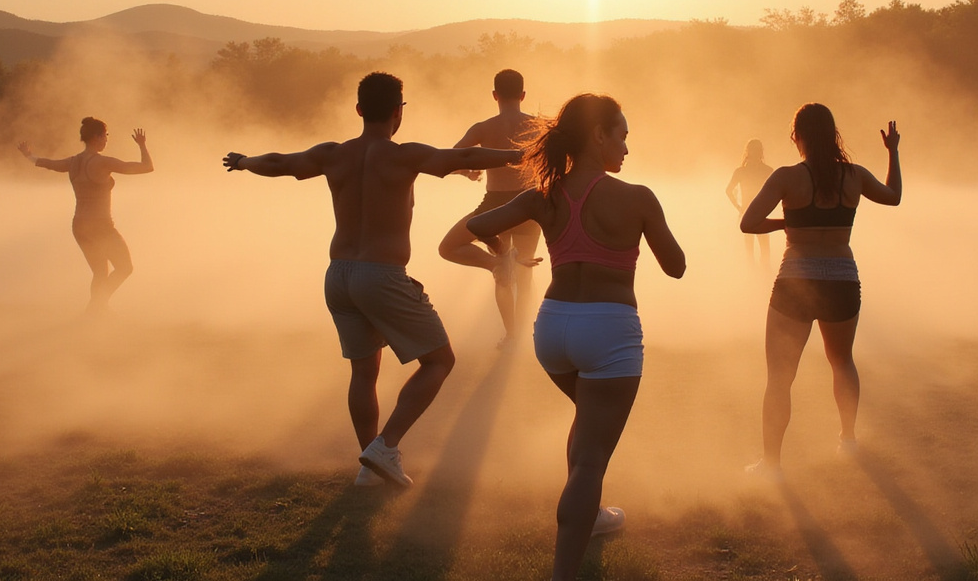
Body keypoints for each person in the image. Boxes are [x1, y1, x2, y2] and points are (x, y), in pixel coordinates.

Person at [222, 73, 522, 489]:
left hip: (338, 276)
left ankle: (370, 466)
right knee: (440, 361)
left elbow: (281, 164)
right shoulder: (404, 155)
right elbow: (463, 159)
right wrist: (519, 156)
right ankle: (385, 446)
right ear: (399, 111)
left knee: (364, 373)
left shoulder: (333, 154)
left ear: (360, 109)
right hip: (380, 276)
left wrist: (244, 161)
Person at [466, 94, 685, 581]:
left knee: (588, 426)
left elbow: (479, 225)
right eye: (622, 135)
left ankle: (595, 514)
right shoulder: (637, 196)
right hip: (609, 328)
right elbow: (677, 267)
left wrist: (503, 253)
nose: (627, 148)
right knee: (590, 459)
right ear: (599, 135)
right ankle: (565, 567)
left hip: (553, 328)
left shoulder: (543, 195)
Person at [741, 104, 900, 478]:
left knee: (780, 377)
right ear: (832, 135)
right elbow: (893, 196)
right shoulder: (854, 176)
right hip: (843, 277)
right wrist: (892, 151)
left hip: (796, 277)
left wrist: (790, 222)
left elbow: (748, 223)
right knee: (842, 361)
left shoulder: (786, 177)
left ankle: (772, 465)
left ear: (797, 136)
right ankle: (848, 439)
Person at [437, 69, 543, 348]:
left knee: (502, 273)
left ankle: (510, 335)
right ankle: (519, 334)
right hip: (528, 204)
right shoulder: (537, 125)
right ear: (523, 95)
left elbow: (451, 159)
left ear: (495, 95)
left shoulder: (483, 128)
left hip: (495, 206)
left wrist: (469, 172)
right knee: (524, 274)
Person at [18, 118, 154, 314]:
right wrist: (142, 145)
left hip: (79, 226)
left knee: (100, 272)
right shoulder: (102, 162)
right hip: (101, 226)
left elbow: (47, 163)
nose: (106, 139)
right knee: (125, 268)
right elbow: (146, 167)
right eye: (105, 135)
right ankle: (96, 306)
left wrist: (28, 155)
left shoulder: (73, 162)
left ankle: (98, 309)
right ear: (97, 137)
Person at [726, 139, 775, 269]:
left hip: (755, 213)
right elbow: (728, 190)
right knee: (755, 251)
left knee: (760, 250)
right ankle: (756, 276)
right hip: (752, 213)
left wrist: (739, 207)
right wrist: (739, 207)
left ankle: (761, 276)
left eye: (757, 151)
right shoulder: (762, 171)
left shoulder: (766, 171)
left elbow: (728, 191)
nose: (756, 154)